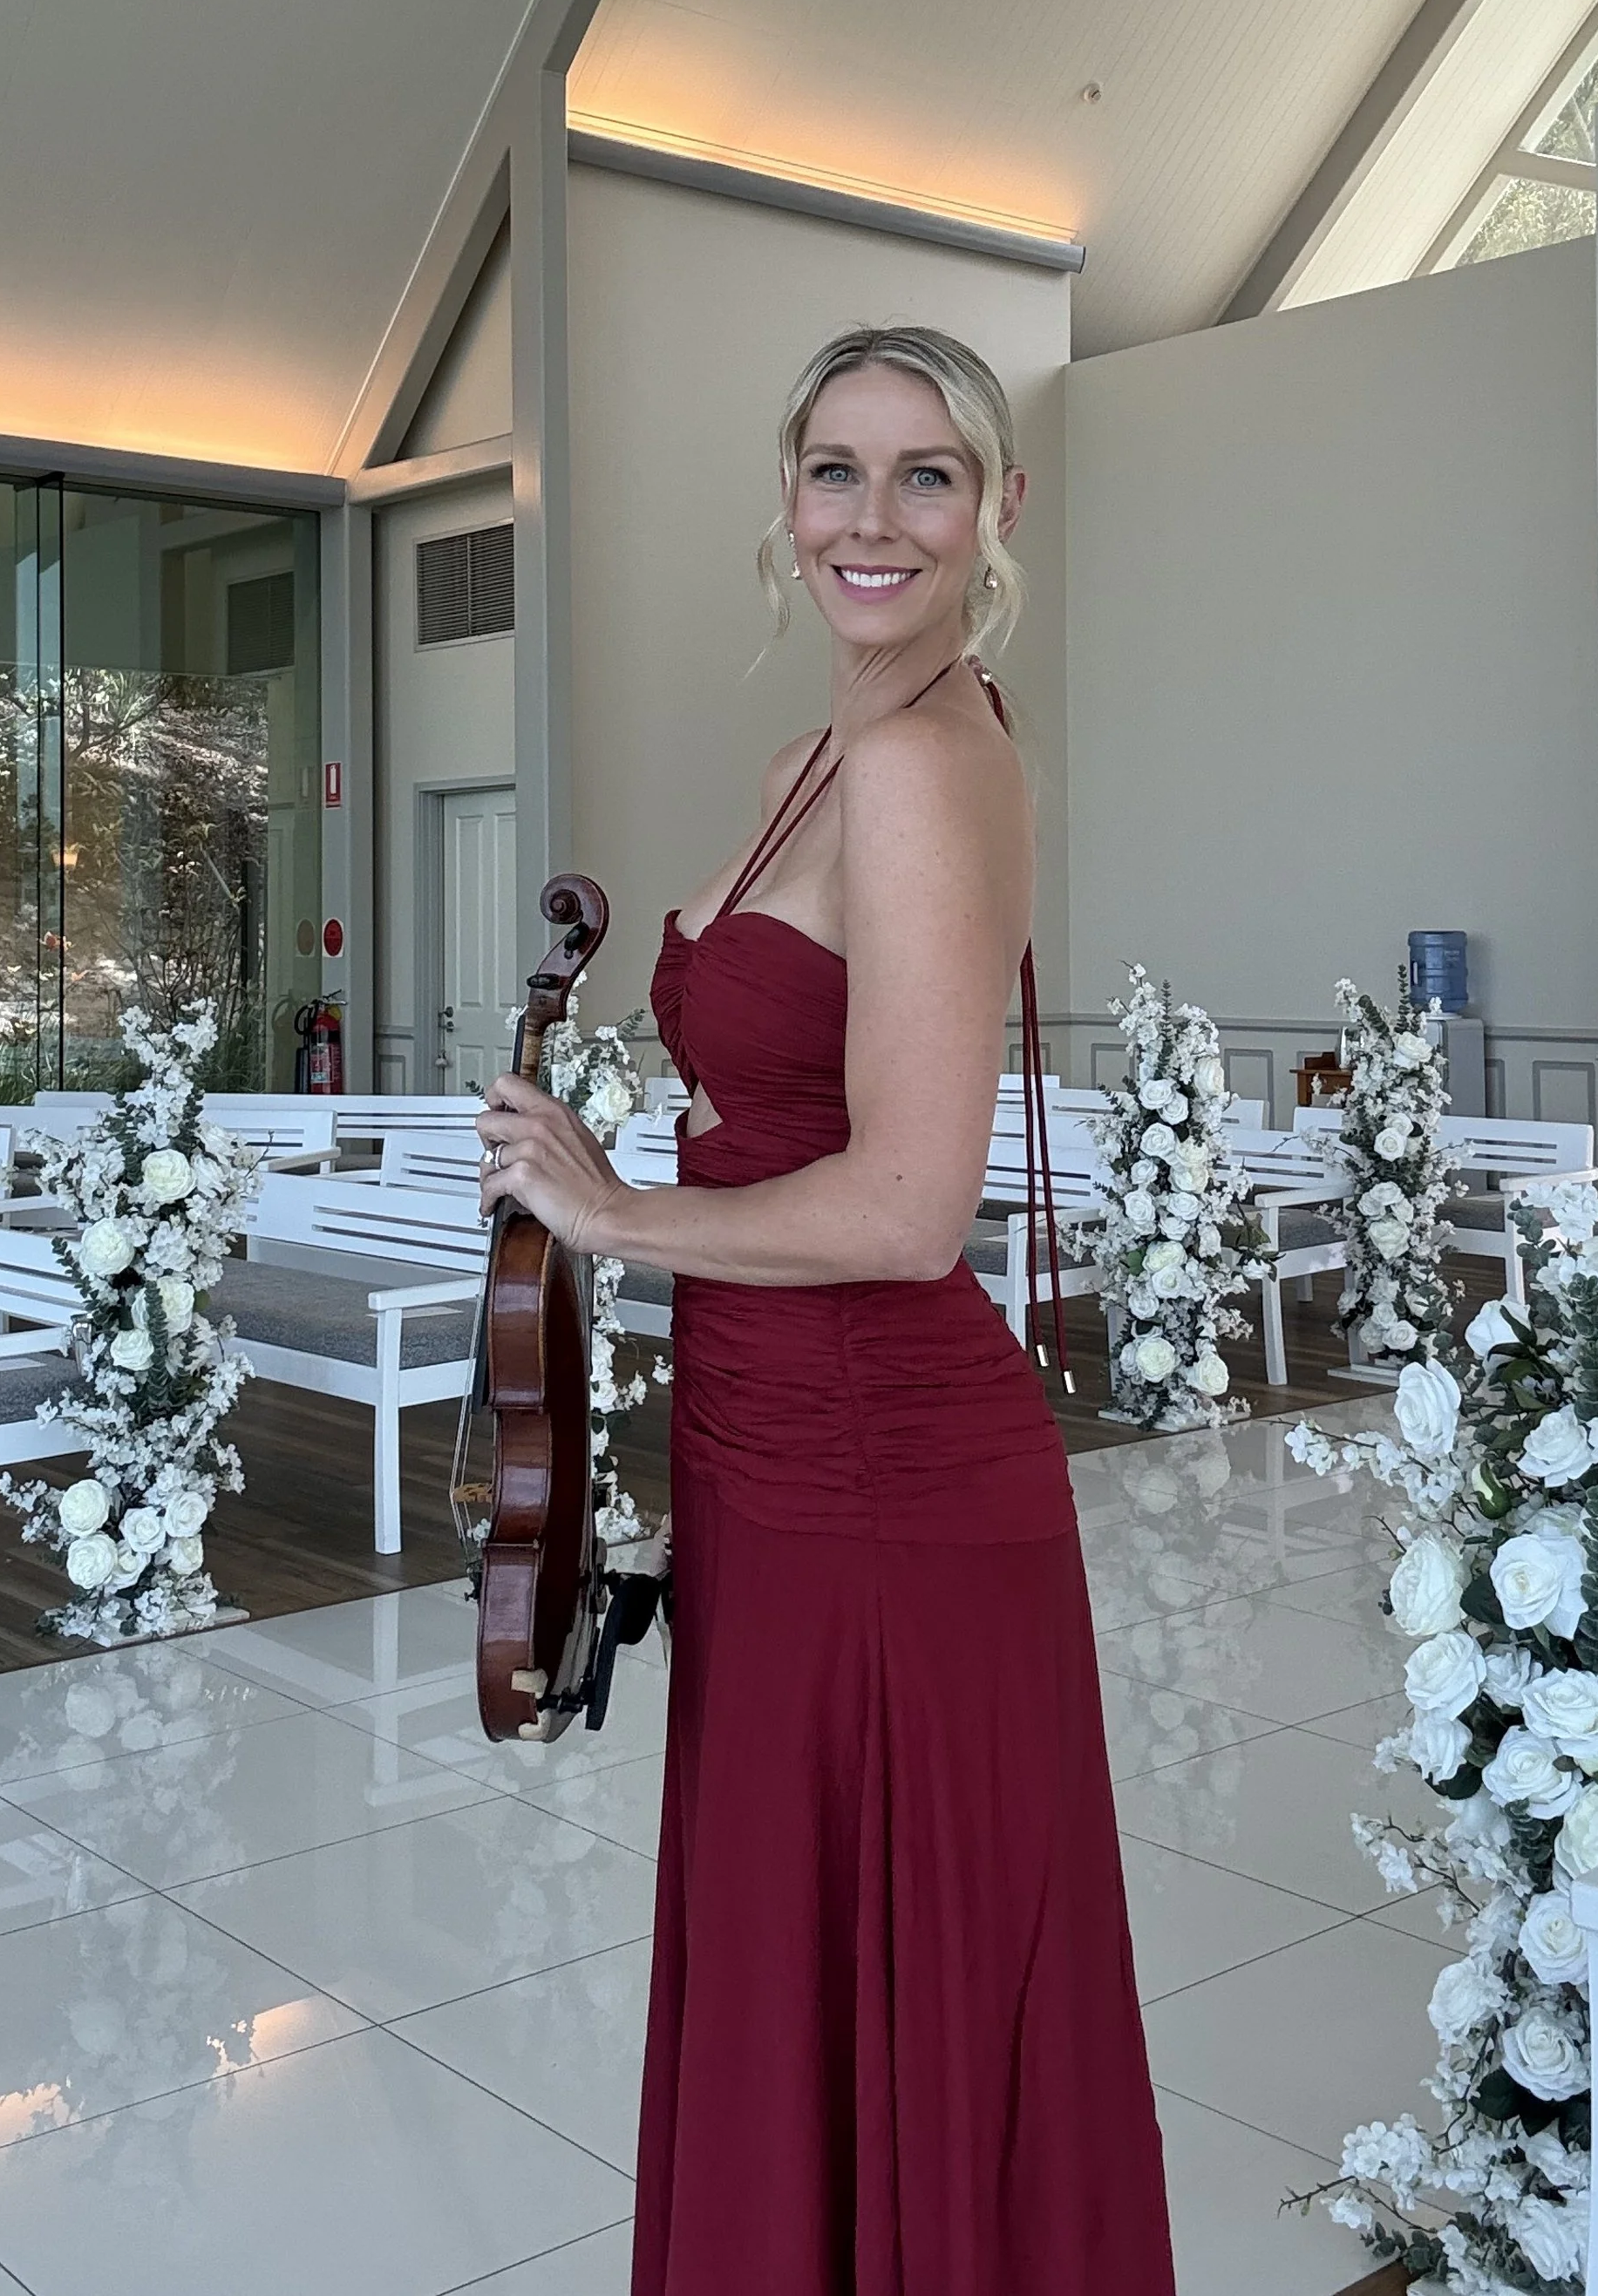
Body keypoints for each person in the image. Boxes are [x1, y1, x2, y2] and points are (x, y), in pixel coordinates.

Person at [479, 326, 1175, 2296]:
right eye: (836, 471)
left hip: (888, 1483)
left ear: (999, 511)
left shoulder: (928, 766)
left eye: (926, 474)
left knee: (899, 2010)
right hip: (771, 1458)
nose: (873, 518)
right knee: (798, 1988)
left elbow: (905, 1204)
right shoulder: (816, 760)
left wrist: (615, 1212)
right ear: (783, 502)